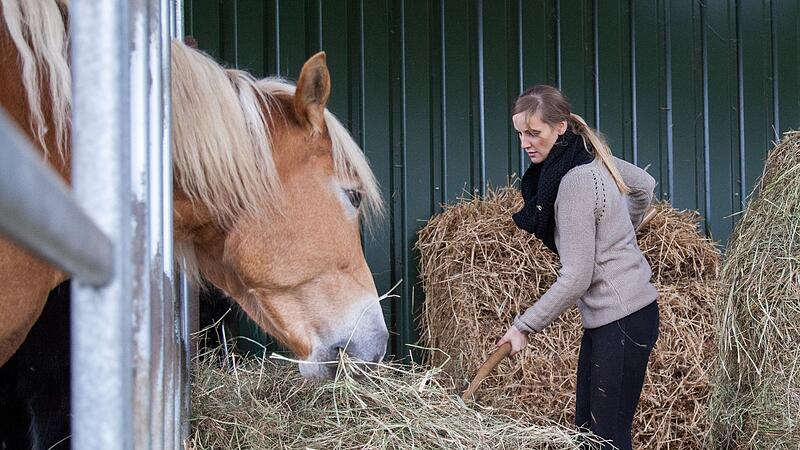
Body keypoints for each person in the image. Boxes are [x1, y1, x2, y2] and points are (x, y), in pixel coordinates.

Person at [496, 85, 659, 450]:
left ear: (560, 128)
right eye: (520, 133)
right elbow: (644, 185)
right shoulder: (588, 157)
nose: (525, 142)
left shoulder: (573, 182)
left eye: (534, 132)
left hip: (623, 319)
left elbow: (576, 276)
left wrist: (524, 327)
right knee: (588, 433)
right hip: (620, 319)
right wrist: (619, 233)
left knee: (606, 439)